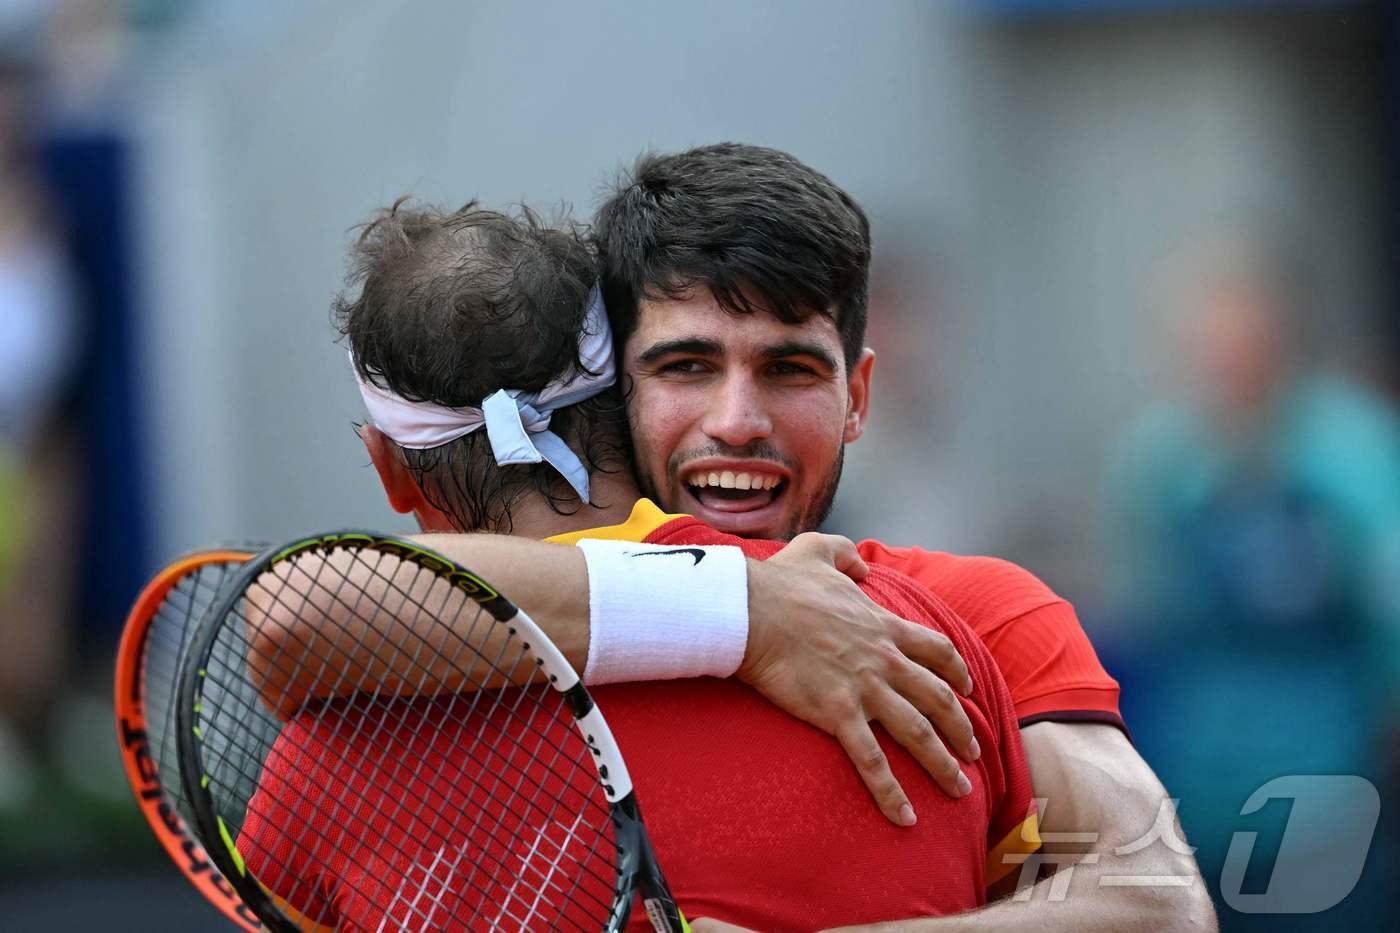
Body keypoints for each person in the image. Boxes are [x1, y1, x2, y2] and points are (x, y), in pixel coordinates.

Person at [242, 200, 1040, 930]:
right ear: (625, 397)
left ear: (387, 467)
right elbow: (1057, 892)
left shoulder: (321, 762)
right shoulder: (917, 642)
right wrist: (743, 613)